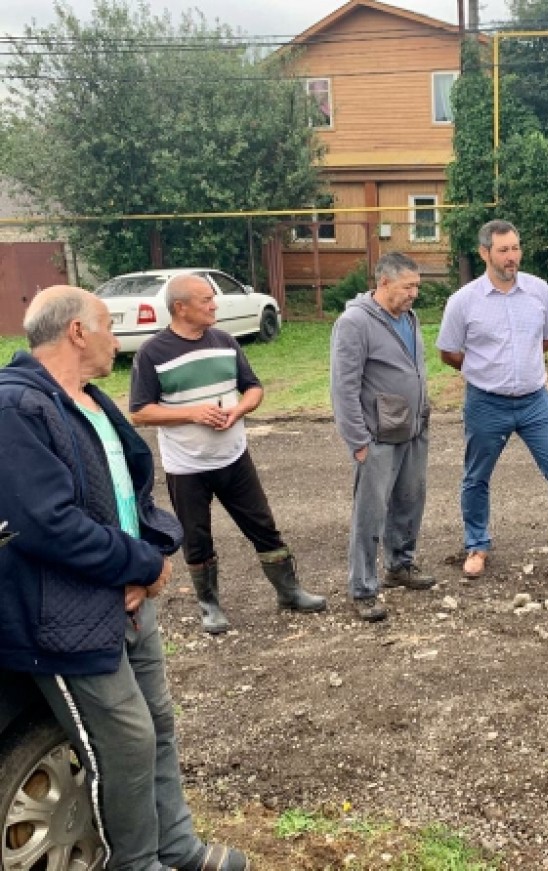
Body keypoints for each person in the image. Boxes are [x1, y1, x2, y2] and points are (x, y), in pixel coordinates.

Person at [0, 286, 246, 871]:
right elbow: (47, 524)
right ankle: (136, 863)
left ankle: (176, 847)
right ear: (76, 332)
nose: (118, 340)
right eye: (108, 327)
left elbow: (130, 495)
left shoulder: (89, 400)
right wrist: (142, 565)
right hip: (65, 614)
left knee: (157, 726)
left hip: (129, 600)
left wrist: (154, 548)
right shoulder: (16, 407)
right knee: (126, 742)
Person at [129, 274, 326, 634]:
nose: (214, 305)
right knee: (197, 537)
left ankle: (289, 592)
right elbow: (140, 412)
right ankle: (210, 606)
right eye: (206, 300)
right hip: (186, 465)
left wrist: (239, 410)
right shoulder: (152, 352)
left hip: (234, 457)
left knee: (263, 526)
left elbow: (253, 388)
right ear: (180, 307)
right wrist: (192, 413)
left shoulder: (225, 341)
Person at [436, 219, 548, 580]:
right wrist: (485, 369)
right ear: (485, 253)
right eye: (503, 250)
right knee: (476, 476)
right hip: (486, 402)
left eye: (515, 248)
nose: (511, 257)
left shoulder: (539, 291)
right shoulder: (463, 301)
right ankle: (477, 546)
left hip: (535, 401)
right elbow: (448, 352)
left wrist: (521, 365)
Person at [330, 252, 435, 622]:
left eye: (417, 287)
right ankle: (362, 588)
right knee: (370, 514)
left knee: (409, 501)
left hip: (413, 429)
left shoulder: (409, 317)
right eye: (408, 287)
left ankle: (400, 565)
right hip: (377, 436)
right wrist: (357, 441)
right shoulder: (354, 323)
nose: (414, 294)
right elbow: (343, 388)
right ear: (384, 282)